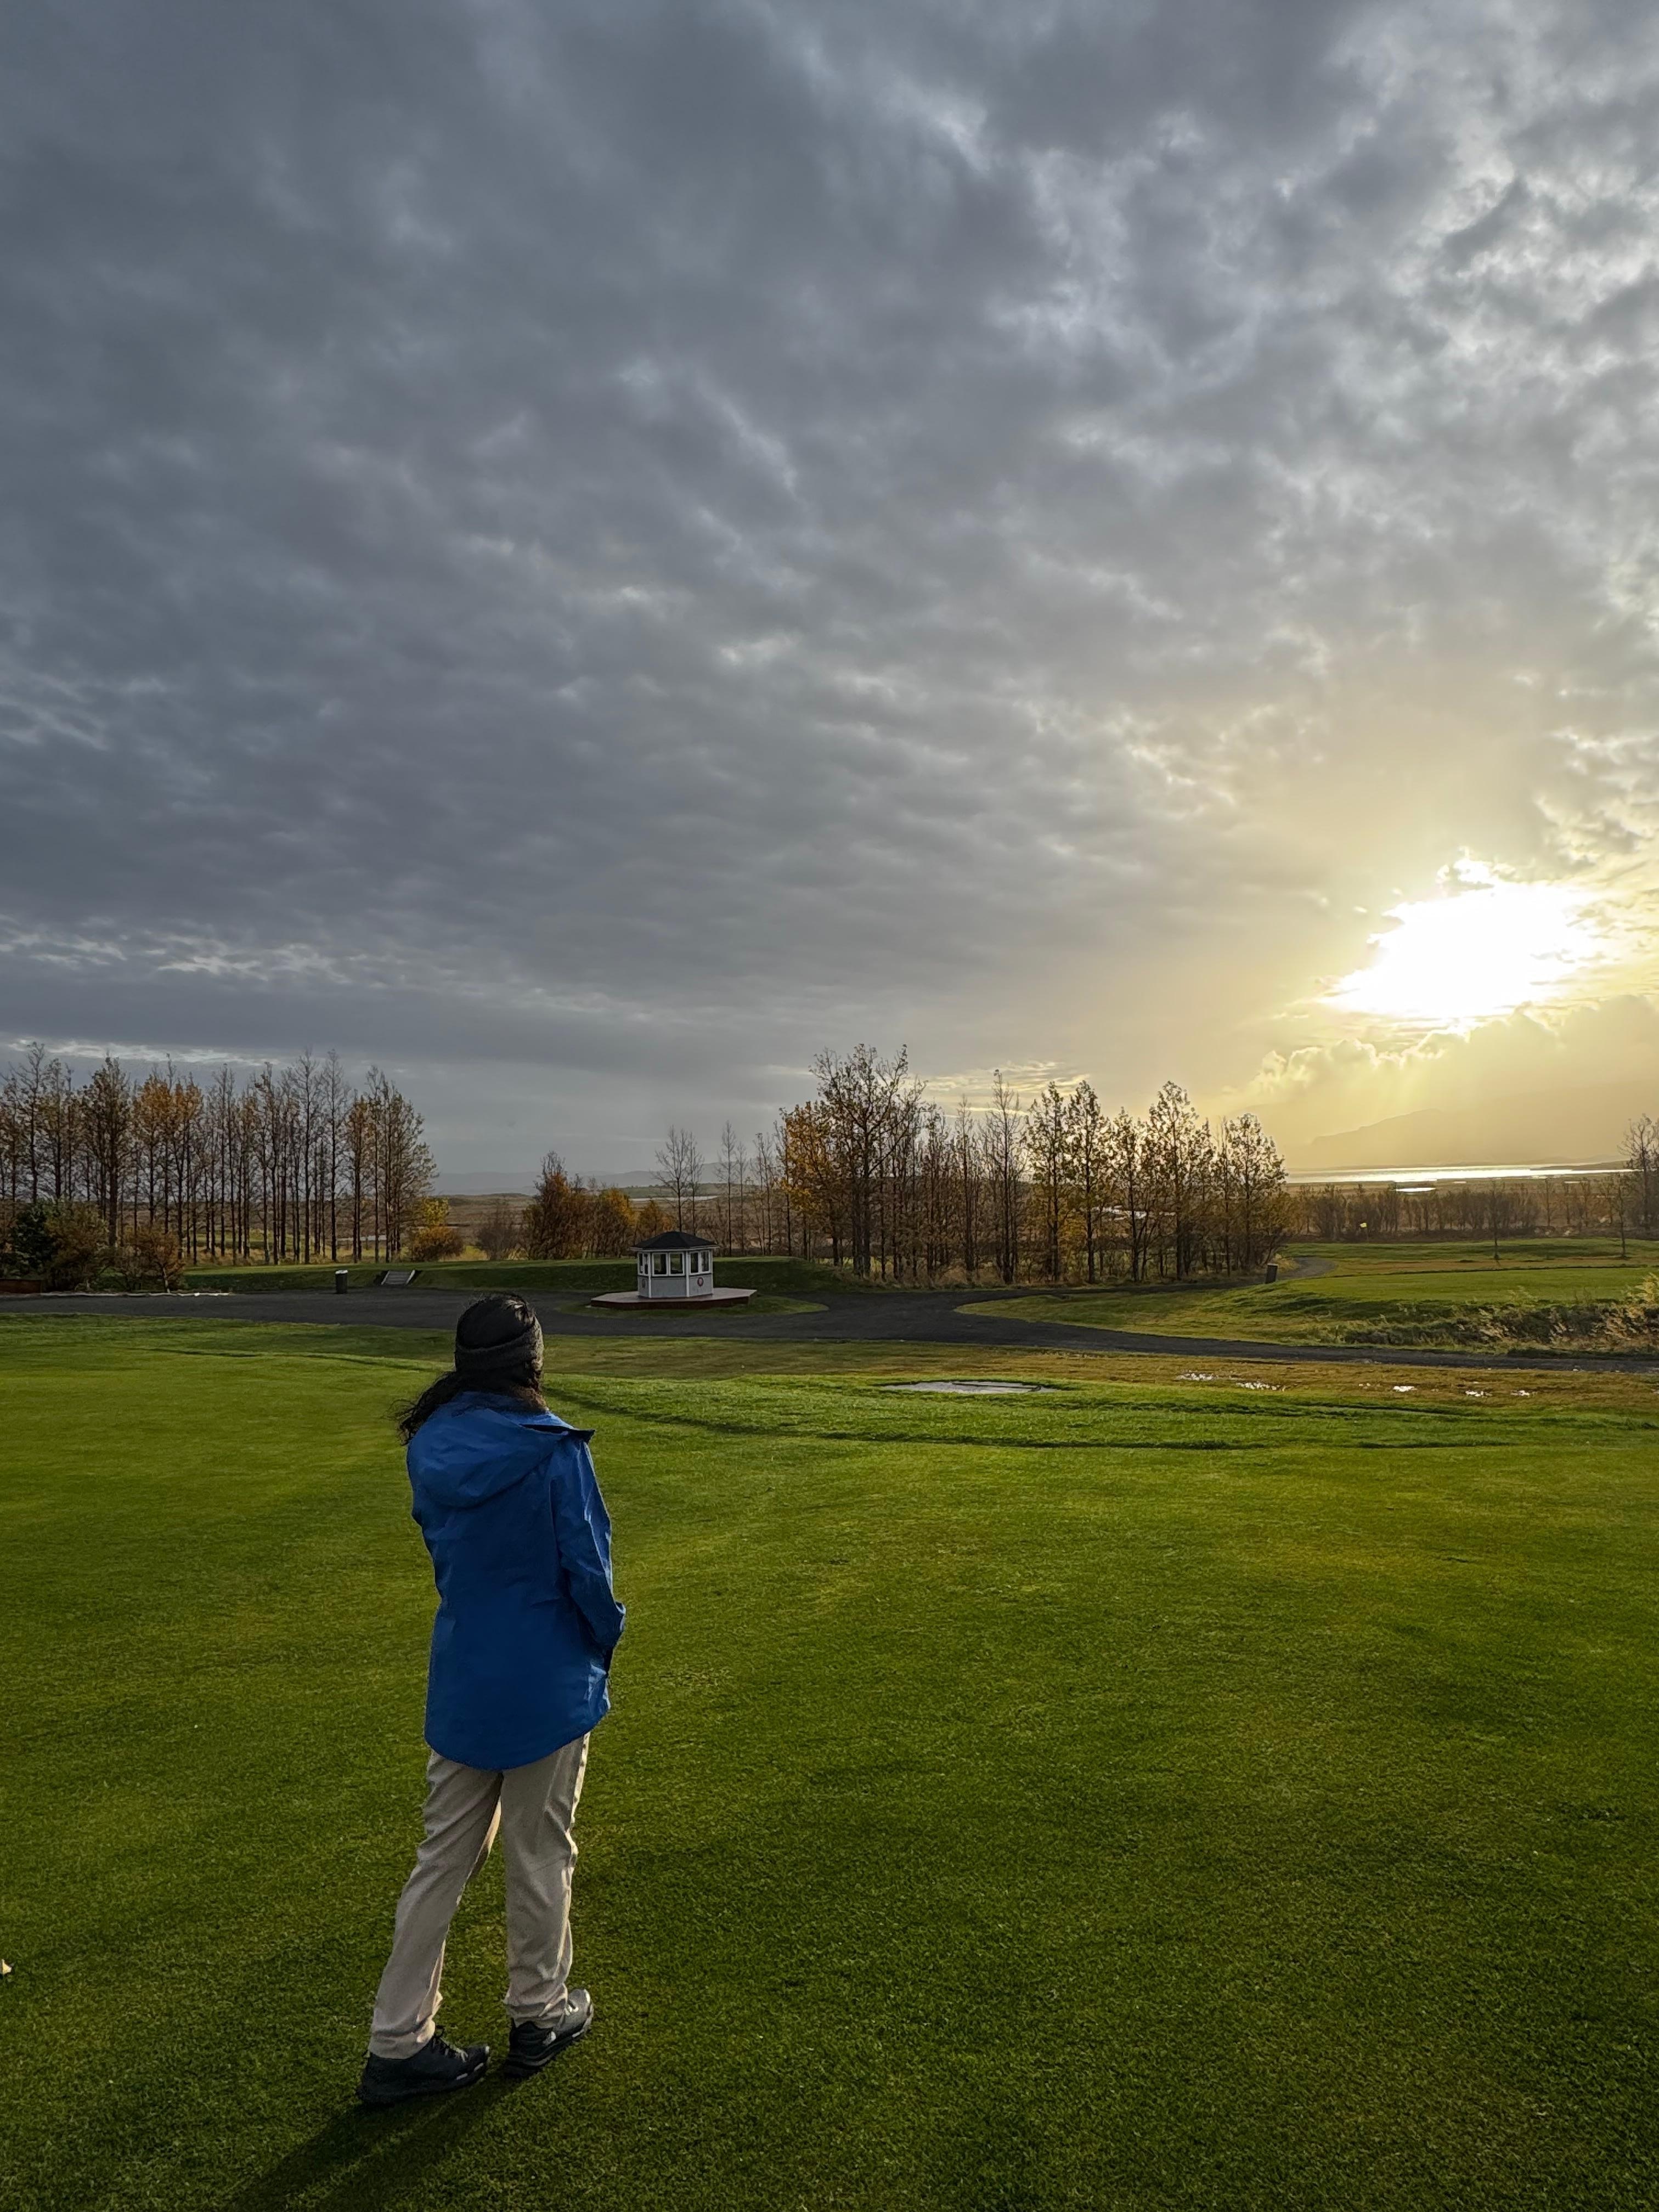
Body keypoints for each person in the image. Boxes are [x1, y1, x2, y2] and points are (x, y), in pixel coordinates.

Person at [358, 1293, 625, 2107]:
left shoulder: (429, 1443)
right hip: (545, 1681)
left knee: (440, 1861)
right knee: (541, 1852)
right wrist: (604, 1640)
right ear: (531, 1362)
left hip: (465, 1678)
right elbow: (590, 1572)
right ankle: (539, 2013)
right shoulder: (554, 1450)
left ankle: (397, 2039)